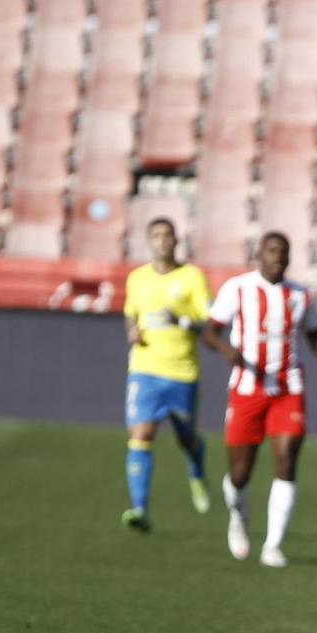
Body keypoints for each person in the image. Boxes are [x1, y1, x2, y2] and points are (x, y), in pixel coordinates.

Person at [202, 233, 317, 567]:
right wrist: (225, 349)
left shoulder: (302, 295)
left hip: (288, 388)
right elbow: (209, 331)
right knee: (240, 474)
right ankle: (239, 514)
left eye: (284, 253)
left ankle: (273, 545)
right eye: (272, 251)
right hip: (247, 388)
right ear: (258, 254)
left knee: (287, 459)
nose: (278, 257)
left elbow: (314, 330)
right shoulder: (237, 289)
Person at [120, 217, 214, 531]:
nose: (162, 241)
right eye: (156, 235)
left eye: (167, 235)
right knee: (141, 434)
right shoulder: (137, 278)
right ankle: (139, 509)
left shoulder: (192, 277)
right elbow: (131, 313)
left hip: (182, 372)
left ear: (177, 240)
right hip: (145, 369)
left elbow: (209, 323)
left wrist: (181, 319)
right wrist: (131, 331)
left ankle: (197, 471)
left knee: (186, 439)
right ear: (148, 241)